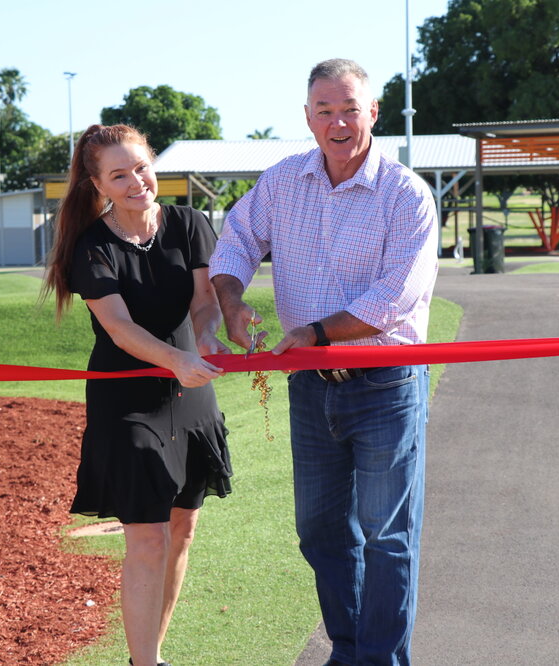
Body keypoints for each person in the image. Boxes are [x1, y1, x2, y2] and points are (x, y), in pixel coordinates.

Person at [209, 59, 439, 665]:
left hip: (386, 383)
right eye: (324, 111)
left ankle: (380, 659)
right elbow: (234, 242)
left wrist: (314, 331)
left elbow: (395, 300)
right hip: (310, 385)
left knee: (387, 535)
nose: (338, 123)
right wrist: (231, 303)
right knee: (320, 530)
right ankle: (351, 651)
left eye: (349, 109)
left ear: (374, 113)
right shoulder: (283, 181)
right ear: (307, 116)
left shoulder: (406, 195)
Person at [43, 123, 231, 666]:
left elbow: (203, 300)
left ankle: (151, 654)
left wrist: (210, 334)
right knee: (147, 538)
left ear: (155, 164)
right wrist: (179, 360)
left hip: (190, 393)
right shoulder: (92, 245)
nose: (135, 182)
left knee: (182, 527)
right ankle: (144, 665)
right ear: (98, 184)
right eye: (118, 175)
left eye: (141, 167)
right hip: (127, 399)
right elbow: (121, 328)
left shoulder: (189, 222)